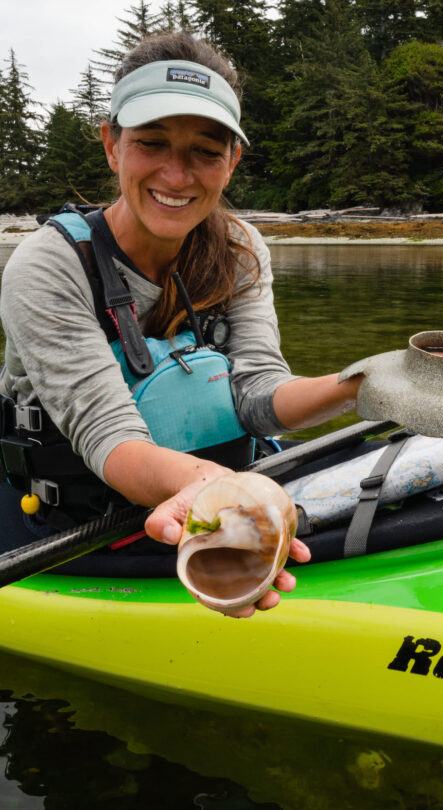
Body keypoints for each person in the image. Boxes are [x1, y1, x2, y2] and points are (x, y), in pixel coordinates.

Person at [0, 32, 363, 617]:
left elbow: (258, 393)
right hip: (69, 521)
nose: (177, 174)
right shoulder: (47, 264)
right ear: (112, 144)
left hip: (214, 495)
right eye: (152, 142)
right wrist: (224, 494)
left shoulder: (240, 246)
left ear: (232, 161)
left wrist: (362, 385)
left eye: (205, 150)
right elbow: (108, 435)